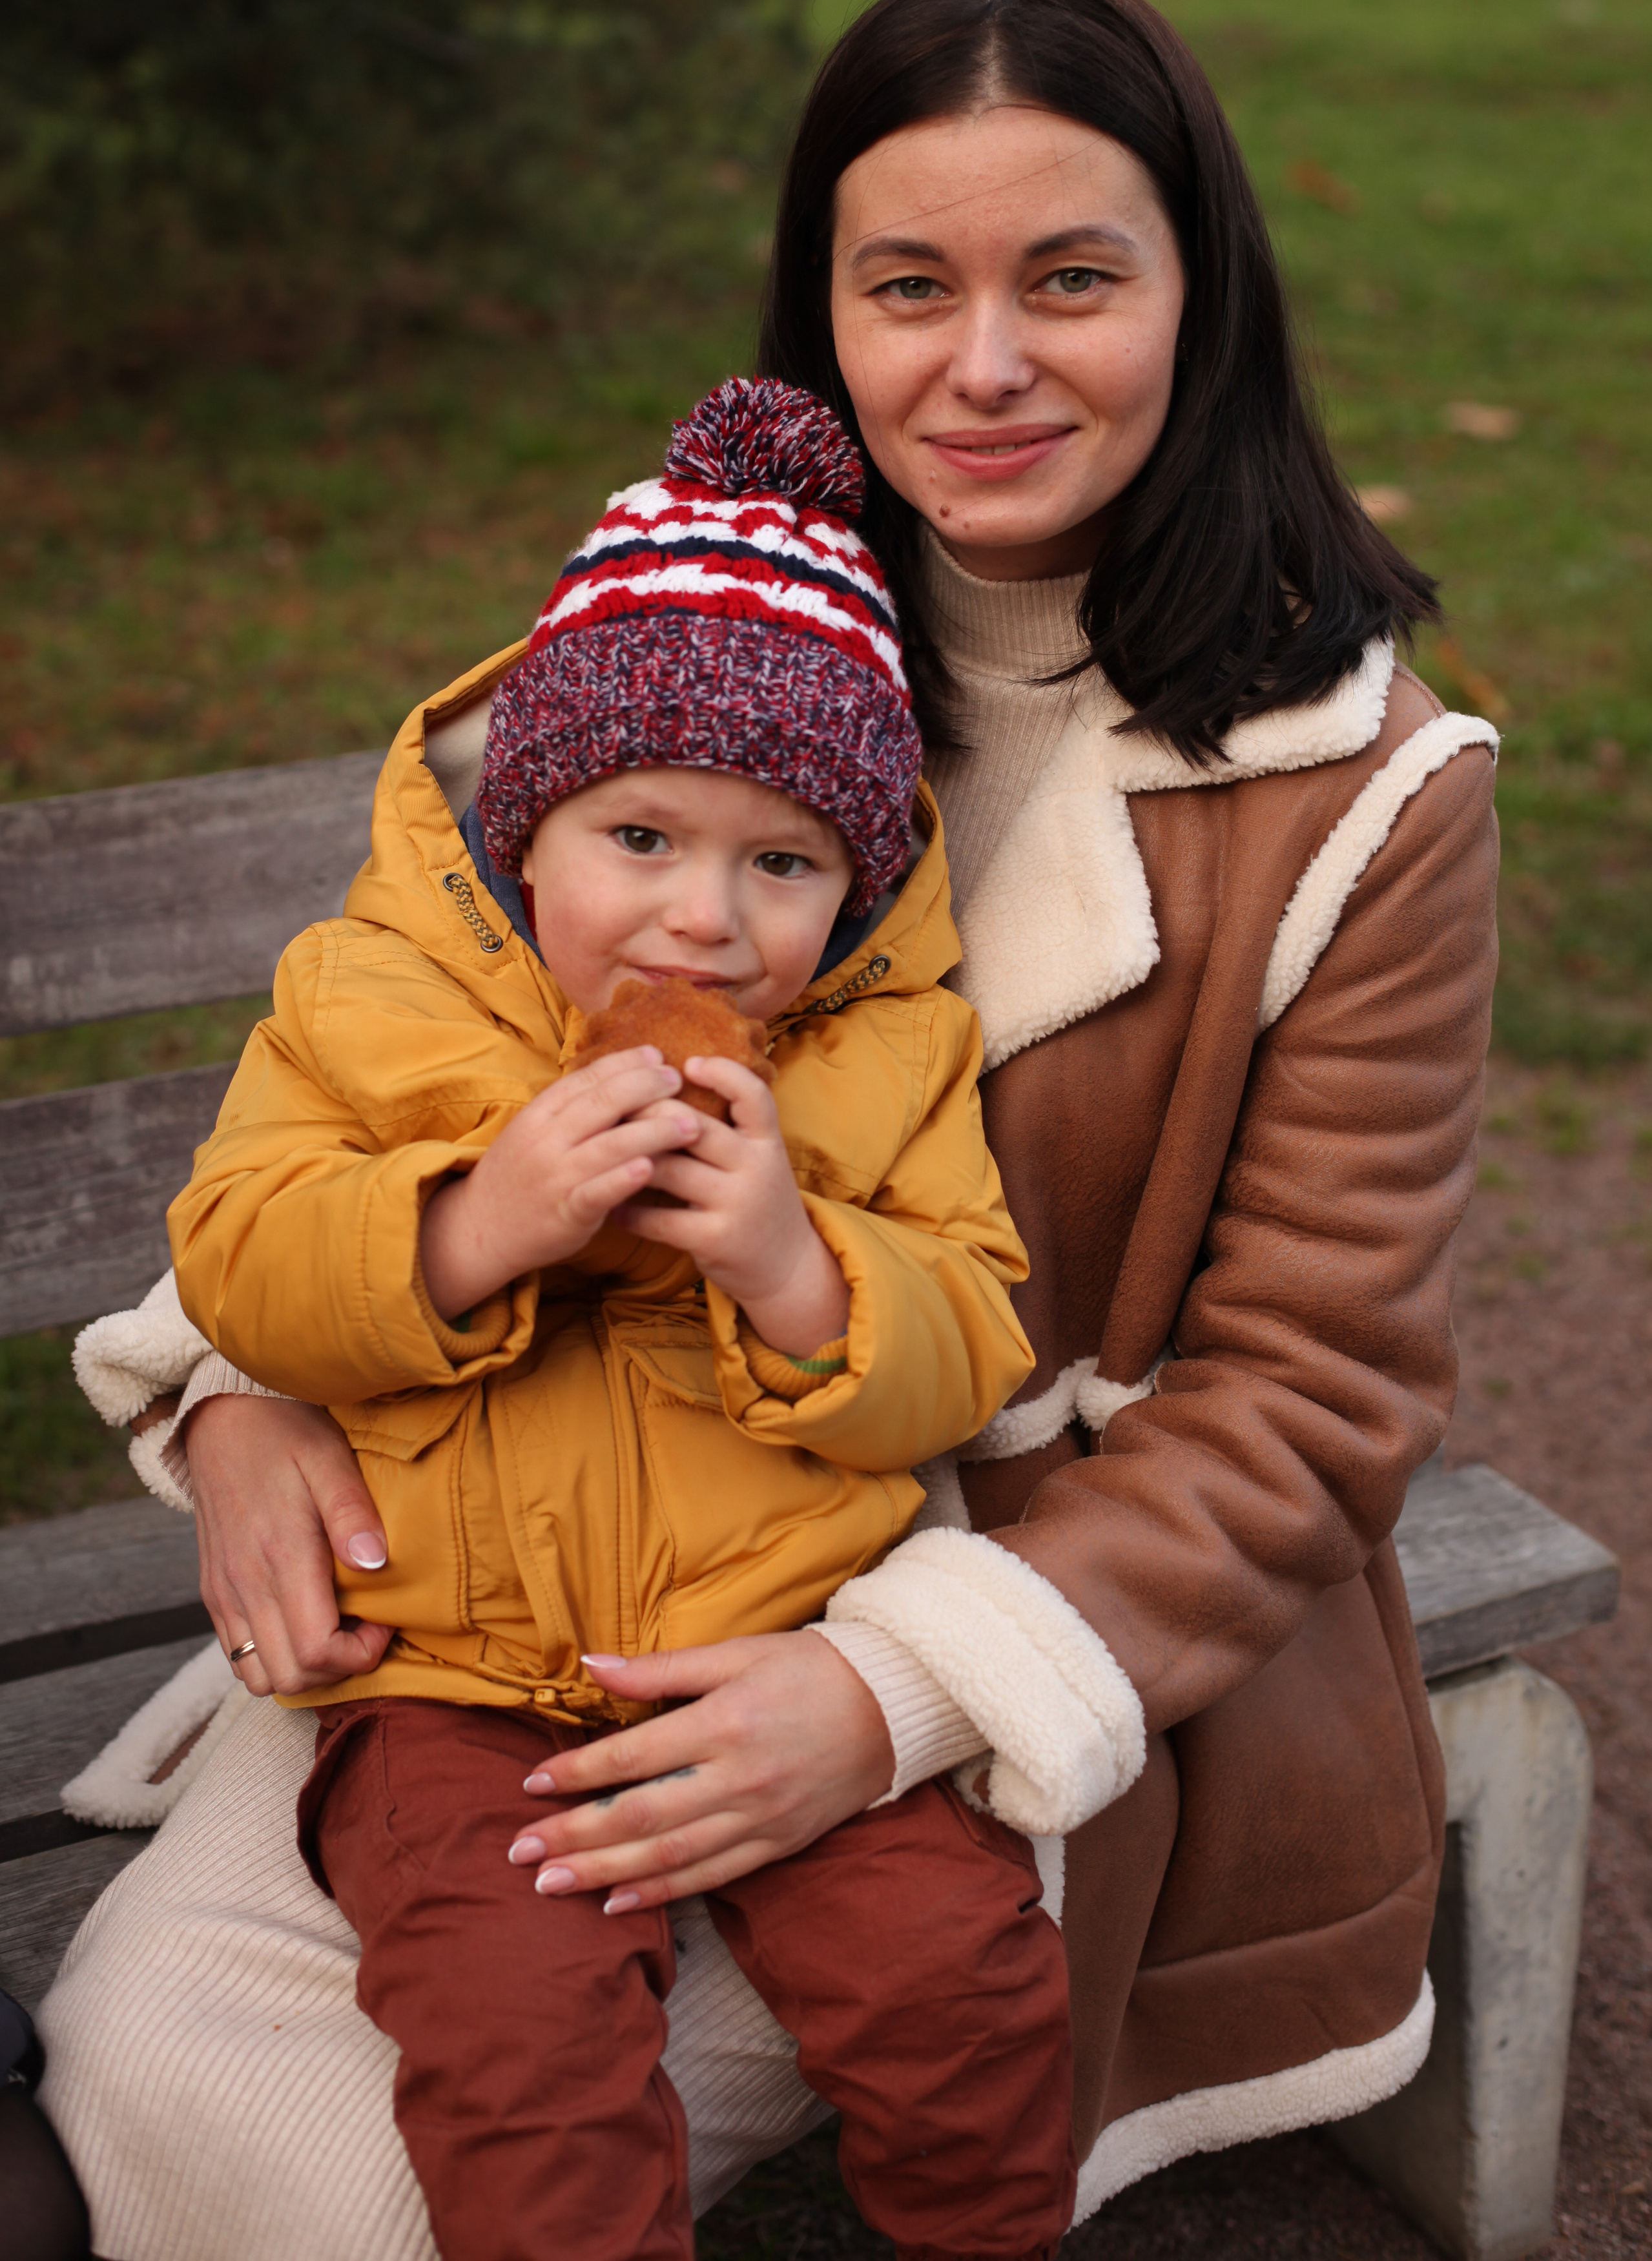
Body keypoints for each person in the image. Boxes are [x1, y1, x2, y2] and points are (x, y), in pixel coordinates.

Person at [41, 0, 1499, 2261]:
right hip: (488, 1555)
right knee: (158, 2061)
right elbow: (376, 1076)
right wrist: (235, 1401)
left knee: (408, 2189)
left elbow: (1318, 1391)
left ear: (1202, 300)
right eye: (908, 283)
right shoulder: (688, 657)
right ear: (823, 311)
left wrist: (893, 1693)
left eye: (1075, 278)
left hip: (976, 1590)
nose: (987, 362)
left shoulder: (1364, 797)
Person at [162, 377, 1068, 2261]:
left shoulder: (895, 1055)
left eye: (783, 864)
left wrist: (796, 1268)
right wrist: (478, 1220)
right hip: (450, 1681)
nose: (706, 925)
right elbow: (240, 1260)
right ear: (531, 828)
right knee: (520, 2061)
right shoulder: (371, 1001)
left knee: (959, 1987)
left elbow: (971, 1335)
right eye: (640, 839)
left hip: (778, 1641)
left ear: (862, 882)